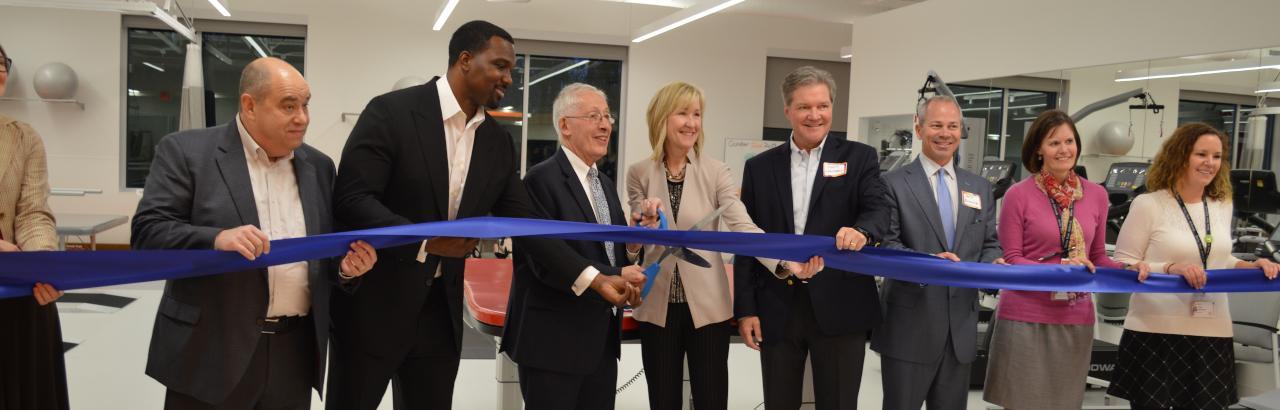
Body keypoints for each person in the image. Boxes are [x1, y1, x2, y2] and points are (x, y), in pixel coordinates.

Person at [328, 21, 636, 410]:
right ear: (466, 60)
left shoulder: (496, 142)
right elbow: (353, 198)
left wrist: (594, 279)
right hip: (372, 309)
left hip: (440, 317)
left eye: (511, 70)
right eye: (501, 66)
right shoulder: (392, 113)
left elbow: (526, 225)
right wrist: (425, 240)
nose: (508, 79)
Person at [131, 57, 377, 410]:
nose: (302, 118)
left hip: (293, 352)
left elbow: (323, 251)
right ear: (249, 105)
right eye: (288, 106)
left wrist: (346, 269)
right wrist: (215, 239)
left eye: (305, 105)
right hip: (211, 350)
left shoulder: (319, 167)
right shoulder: (187, 152)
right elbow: (147, 232)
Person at [626, 81, 812, 410]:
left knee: (712, 400)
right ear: (661, 119)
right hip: (658, 309)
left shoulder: (716, 172)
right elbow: (634, 245)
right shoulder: (639, 172)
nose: (692, 122)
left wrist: (784, 263)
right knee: (663, 401)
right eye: (682, 113)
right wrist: (640, 225)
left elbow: (743, 226)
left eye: (697, 114)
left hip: (709, 310)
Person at [734, 66, 891, 410]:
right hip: (777, 304)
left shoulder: (859, 157)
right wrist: (745, 310)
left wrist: (862, 231)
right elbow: (746, 239)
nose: (814, 115)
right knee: (779, 402)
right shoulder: (759, 167)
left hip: (842, 303)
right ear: (787, 110)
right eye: (804, 107)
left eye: (822, 105)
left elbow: (879, 211)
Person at [1106, 123, 1279, 410]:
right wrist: (1170, 267)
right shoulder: (1148, 204)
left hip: (1212, 330)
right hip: (1156, 331)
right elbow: (1123, 263)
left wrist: (1251, 265)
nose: (1209, 163)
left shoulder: (1222, 205)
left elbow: (1218, 259)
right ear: (1180, 155)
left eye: (1216, 156)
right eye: (1201, 154)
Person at [983, 109, 1146, 410]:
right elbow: (1012, 259)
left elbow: (1096, 257)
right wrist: (1059, 269)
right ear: (1038, 150)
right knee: (1020, 402)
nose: (1064, 149)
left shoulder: (1096, 195)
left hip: (1074, 315)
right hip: (1024, 314)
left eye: (1069, 141)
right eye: (1054, 143)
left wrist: (1127, 267)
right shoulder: (1019, 195)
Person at [500, 83, 647, 410]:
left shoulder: (604, 183)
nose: (606, 125)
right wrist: (615, 273)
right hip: (554, 343)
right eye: (594, 116)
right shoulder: (540, 181)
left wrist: (635, 244)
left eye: (608, 116)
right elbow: (548, 262)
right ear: (564, 125)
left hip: (601, 342)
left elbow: (615, 251)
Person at [871, 95, 1004, 410]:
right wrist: (929, 264)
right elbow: (886, 246)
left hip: (960, 330)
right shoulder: (892, 184)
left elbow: (989, 243)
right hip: (909, 329)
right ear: (918, 129)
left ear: (961, 131)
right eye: (937, 125)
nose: (945, 133)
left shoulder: (980, 187)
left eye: (953, 126)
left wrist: (993, 267)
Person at [0, 42, 70, 410]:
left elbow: (32, 211)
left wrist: (42, 262)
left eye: (1, 63)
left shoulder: (22, 136)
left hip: (14, 294)